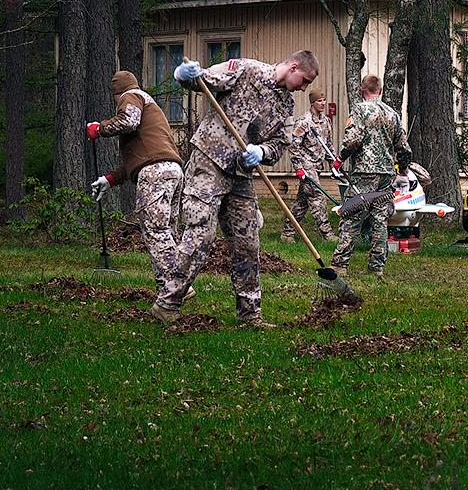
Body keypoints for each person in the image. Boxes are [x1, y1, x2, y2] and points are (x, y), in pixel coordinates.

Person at [150, 50, 319, 327]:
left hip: (242, 174)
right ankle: (167, 304)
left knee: (248, 243)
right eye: (304, 80)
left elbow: (279, 144)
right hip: (210, 161)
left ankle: (250, 314)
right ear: (293, 66)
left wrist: (261, 152)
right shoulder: (246, 70)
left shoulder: (286, 106)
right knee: (200, 234)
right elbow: (203, 81)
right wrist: (184, 75)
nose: (304, 88)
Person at [87, 70, 184, 294]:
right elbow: (143, 155)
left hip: (155, 173)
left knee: (155, 231)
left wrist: (98, 129)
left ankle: (177, 283)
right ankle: (166, 295)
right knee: (168, 233)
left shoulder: (131, 97)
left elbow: (128, 121)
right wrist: (110, 179)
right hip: (173, 171)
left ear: (116, 94)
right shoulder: (153, 110)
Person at [330, 75, 411, 278]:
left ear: (360, 89)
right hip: (385, 174)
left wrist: (340, 159)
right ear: (381, 90)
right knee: (380, 220)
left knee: (352, 216)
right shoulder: (392, 114)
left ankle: (340, 264)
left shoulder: (359, 110)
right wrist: (402, 171)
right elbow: (403, 147)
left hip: (364, 173)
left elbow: (352, 140)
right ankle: (377, 267)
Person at [281, 89, 337, 242]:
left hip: (317, 165)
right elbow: (293, 145)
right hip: (306, 167)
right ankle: (327, 234)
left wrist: (333, 163)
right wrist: (298, 167)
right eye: (319, 101)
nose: (323, 103)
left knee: (302, 202)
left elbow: (328, 145)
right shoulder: (304, 122)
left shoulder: (325, 121)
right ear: (312, 103)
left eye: (324, 100)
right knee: (318, 197)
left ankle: (287, 232)